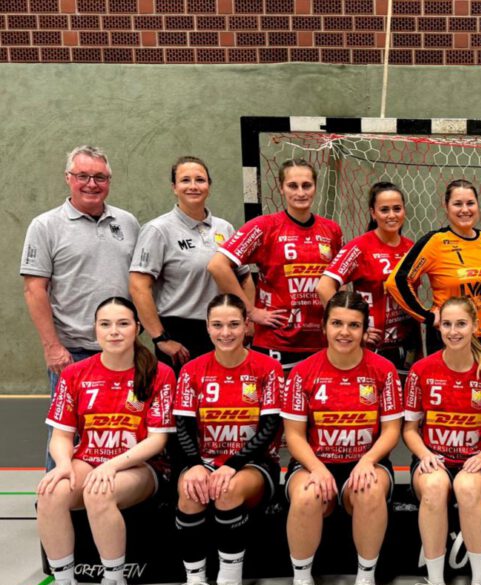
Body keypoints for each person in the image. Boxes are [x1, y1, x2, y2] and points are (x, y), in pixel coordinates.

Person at [36, 297, 175, 585]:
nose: (114, 331)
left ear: (137, 329)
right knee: (51, 493)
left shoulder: (159, 372)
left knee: (99, 492)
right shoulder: (75, 373)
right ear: (95, 330)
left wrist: (112, 466)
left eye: (123, 324)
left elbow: (157, 440)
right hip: (90, 459)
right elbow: (61, 435)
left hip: (143, 466)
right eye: (106, 324)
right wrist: (63, 464)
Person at [279, 291, 402, 585]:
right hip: (315, 461)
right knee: (307, 495)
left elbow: (392, 430)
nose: (344, 332)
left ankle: (365, 583)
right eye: (337, 323)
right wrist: (317, 468)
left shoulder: (383, 370)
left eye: (353, 325)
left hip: (366, 460)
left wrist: (369, 460)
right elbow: (294, 436)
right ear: (324, 326)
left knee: (369, 490)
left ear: (364, 331)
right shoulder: (303, 372)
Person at [21, 145, 141, 470]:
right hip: (72, 354)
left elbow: (140, 283)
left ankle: (109, 496)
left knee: (118, 433)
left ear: (109, 181)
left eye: (100, 177)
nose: (91, 184)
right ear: (68, 178)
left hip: (122, 352)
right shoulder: (45, 225)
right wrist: (52, 347)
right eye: (83, 176)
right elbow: (34, 290)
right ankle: (59, 495)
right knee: (66, 435)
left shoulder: (128, 223)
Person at [171, 294, 283, 585]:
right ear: (207, 328)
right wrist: (194, 464)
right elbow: (182, 427)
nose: (226, 332)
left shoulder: (268, 368)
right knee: (190, 492)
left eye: (234, 324)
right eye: (217, 325)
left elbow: (269, 427)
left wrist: (232, 465)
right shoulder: (192, 370)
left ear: (247, 326)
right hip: (204, 460)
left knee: (227, 491)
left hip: (253, 463)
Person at [403, 296, 481, 585]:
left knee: (466, 487)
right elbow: (409, 430)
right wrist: (424, 454)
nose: (453, 331)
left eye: (461, 324)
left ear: (475, 326)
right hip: (433, 459)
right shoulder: (422, 370)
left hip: (476, 461)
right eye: (446, 324)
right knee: (435, 487)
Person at [207, 159, 342, 371]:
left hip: (321, 340)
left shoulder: (332, 230)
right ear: (281, 188)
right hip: (277, 339)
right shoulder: (264, 226)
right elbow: (217, 266)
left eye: (306, 185)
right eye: (292, 186)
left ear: (315, 187)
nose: (300, 192)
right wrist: (251, 311)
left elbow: (336, 283)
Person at [131, 156, 253, 373]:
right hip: (180, 336)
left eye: (200, 180)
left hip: (223, 331)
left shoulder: (224, 228)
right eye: (185, 180)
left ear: (209, 186)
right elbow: (138, 286)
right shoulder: (158, 230)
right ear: (174, 187)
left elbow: (244, 276)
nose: (193, 186)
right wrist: (160, 338)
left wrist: (248, 321)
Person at [385, 180, 481, 363]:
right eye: (457, 204)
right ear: (446, 206)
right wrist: (427, 317)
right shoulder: (435, 242)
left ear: (478, 205)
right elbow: (397, 281)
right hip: (449, 337)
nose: (465, 209)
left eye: (470, 203)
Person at [317, 182, 420, 374]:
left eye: (397, 209)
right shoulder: (360, 247)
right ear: (373, 213)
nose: (392, 215)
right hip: (371, 346)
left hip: (406, 346)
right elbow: (324, 287)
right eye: (384, 210)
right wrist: (354, 329)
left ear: (404, 211)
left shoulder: (412, 248)